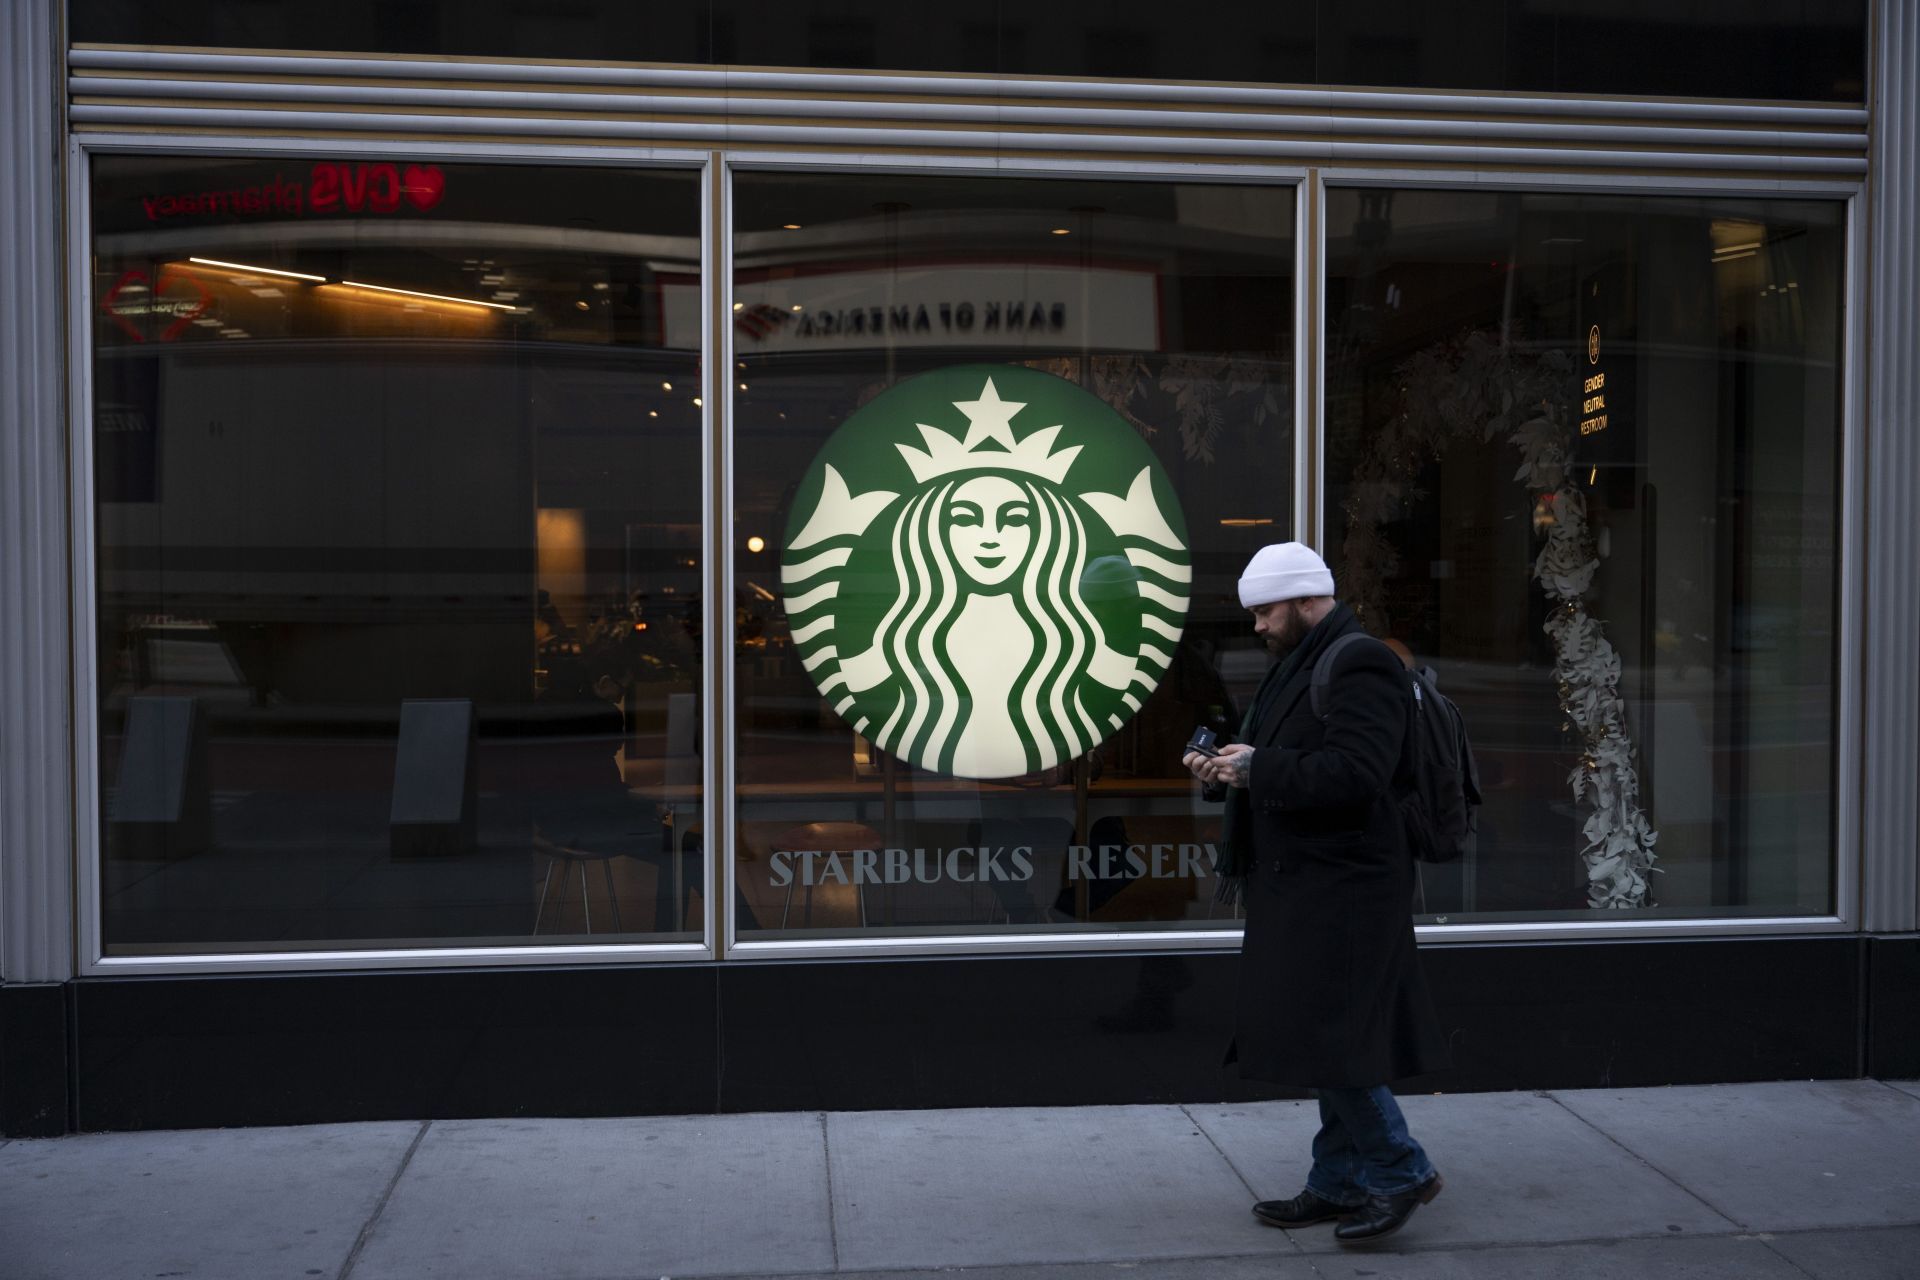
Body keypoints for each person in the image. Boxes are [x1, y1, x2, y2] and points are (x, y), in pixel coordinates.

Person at [1183, 541, 1449, 1246]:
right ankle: (1336, 1181)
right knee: (1322, 1032)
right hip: (1308, 882)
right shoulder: (1297, 663)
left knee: (1331, 1035)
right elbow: (1275, 755)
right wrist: (1228, 769)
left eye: (1267, 611)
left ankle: (1400, 1169)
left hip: (1347, 888)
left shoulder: (1358, 661)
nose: (1259, 626)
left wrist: (1259, 769)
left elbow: (1358, 773)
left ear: (1307, 599)